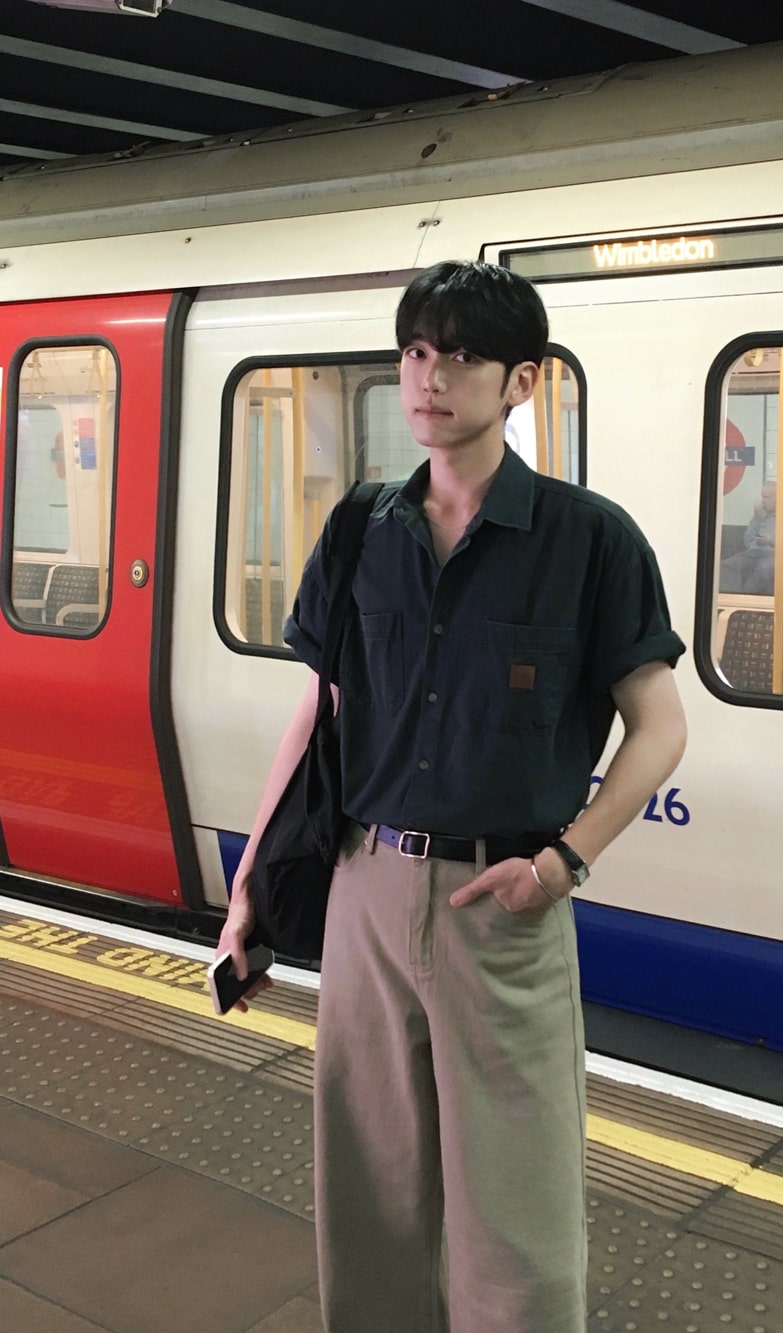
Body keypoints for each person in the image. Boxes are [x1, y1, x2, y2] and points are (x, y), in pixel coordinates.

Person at [216, 261, 687, 1333]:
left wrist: (562, 863)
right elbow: (319, 715)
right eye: (417, 351)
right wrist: (249, 887)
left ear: (520, 381)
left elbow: (660, 726)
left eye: (463, 355)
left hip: (502, 904)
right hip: (367, 884)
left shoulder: (588, 539)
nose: (431, 376)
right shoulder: (360, 529)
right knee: (369, 1190)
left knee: (517, 1216)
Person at [720, 480, 783, 594]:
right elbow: (747, 542)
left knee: (762, 569)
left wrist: (772, 541)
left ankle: (747, 596)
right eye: (762, 497)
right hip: (753, 554)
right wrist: (757, 520)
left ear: (778, 498)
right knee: (726, 566)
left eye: (766, 497)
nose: (763, 501)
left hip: (775, 557)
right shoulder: (762, 515)